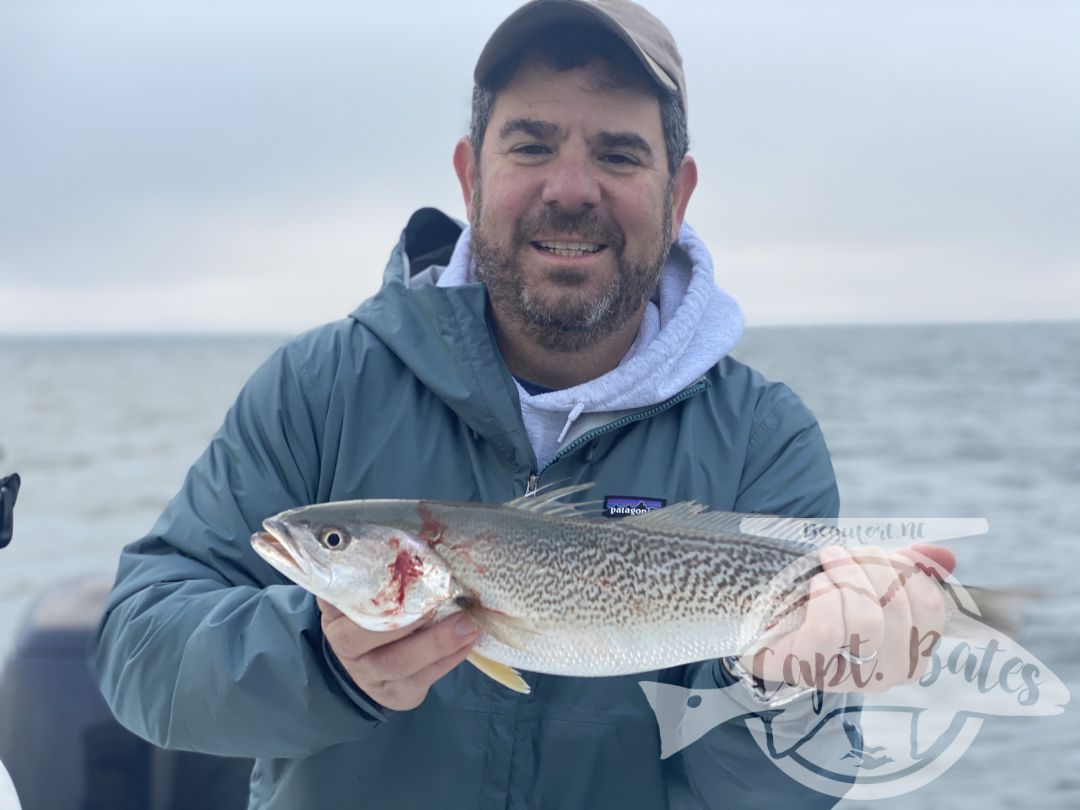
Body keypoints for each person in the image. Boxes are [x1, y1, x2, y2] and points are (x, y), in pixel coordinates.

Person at [93, 1, 950, 807]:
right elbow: (140, 649)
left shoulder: (763, 441)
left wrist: (783, 692)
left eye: (617, 154)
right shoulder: (321, 387)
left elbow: (782, 791)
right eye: (531, 147)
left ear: (677, 194)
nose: (571, 187)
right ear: (470, 174)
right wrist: (322, 659)